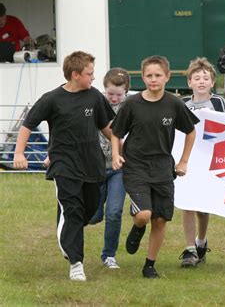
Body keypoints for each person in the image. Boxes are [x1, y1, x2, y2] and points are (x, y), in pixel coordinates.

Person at [13, 51, 115, 281]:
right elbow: (28, 124)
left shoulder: (95, 97)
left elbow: (106, 127)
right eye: (89, 74)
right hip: (63, 165)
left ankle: (67, 232)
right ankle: (76, 262)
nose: (93, 77)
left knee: (88, 211)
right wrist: (19, 152)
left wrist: (123, 149)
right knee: (73, 211)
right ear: (75, 74)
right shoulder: (52, 99)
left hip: (92, 164)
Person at [111, 55, 199, 279]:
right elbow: (116, 132)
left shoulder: (174, 103)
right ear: (142, 77)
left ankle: (149, 265)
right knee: (144, 214)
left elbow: (191, 131)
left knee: (160, 219)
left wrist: (183, 161)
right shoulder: (132, 104)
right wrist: (115, 155)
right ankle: (138, 227)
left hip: (162, 168)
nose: (153, 79)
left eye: (158, 75)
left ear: (167, 77)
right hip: (136, 166)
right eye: (149, 75)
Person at [179, 57, 225, 267]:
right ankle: (190, 249)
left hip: (210, 160)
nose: (201, 81)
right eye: (196, 78)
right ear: (189, 82)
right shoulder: (182, 104)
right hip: (188, 159)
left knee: (202, 206)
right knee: (187, 203)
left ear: (212, 82)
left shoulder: (219, 102)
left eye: (205, 78)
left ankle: (201, 241)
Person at [88, 68, 130, 269]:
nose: (114, 98)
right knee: (94, 215)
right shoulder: (95, 104)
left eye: (118, 94)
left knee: (114, 212)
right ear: (104, 89)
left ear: (126, 92)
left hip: (119, 168)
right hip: (95, 167)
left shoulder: (131, 108)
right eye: (110, 93)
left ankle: (109, 255)